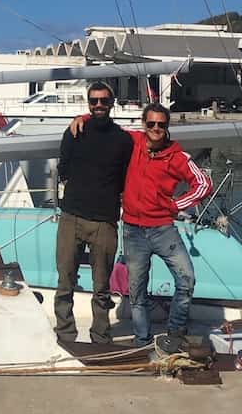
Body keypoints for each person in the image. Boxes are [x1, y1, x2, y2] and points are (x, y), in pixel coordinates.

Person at [70, 103, 210, 352]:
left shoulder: (176, 157)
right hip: (133, 229)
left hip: (163, 229)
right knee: (136, 292)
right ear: (144, 124)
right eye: (151, 124)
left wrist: (176, 205)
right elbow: (106, 129)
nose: (156, 128)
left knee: (186, 279)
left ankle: (175, 332)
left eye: (161, 125)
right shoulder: (132, 141)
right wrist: (84, 117)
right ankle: (142, 341)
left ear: (167, 127)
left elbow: (202, 184)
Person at [53, 81, 134, 344]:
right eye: (93, 101)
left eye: (104, 101)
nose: (99, 105)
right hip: (71, 216)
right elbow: (63, 168)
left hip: (105, 221)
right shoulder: (75, 131)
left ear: (112, 104)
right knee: (65, 281)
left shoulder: (123, 140)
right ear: (88, 103)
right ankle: (65, 334)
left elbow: (124, 177)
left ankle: (101, 336)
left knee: (102, 288)